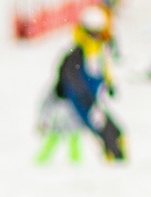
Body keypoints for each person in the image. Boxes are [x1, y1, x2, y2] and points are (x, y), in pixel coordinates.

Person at [49, 9, 125, 161]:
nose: (97, 37)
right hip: (81, 100)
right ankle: (115, 161)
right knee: (106, 132)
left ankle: (115, 159)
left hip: (91, 98)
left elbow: (103, 68)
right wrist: (81, 95)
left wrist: (109, 85)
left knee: (115, 132)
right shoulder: (77, 51)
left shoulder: (98, 49)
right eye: (94, 33)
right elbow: (70, 75)